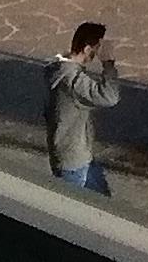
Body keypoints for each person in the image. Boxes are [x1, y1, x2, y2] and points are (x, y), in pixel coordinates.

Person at [46, 22, 121, 193]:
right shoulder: (71, 80)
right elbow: (109, 97)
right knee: (73, 212)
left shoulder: (61, 69)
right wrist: (108, 64)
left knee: (105, 207)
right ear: (88, 50)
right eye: (98, 48)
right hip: (73, 163)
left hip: (80, 158)